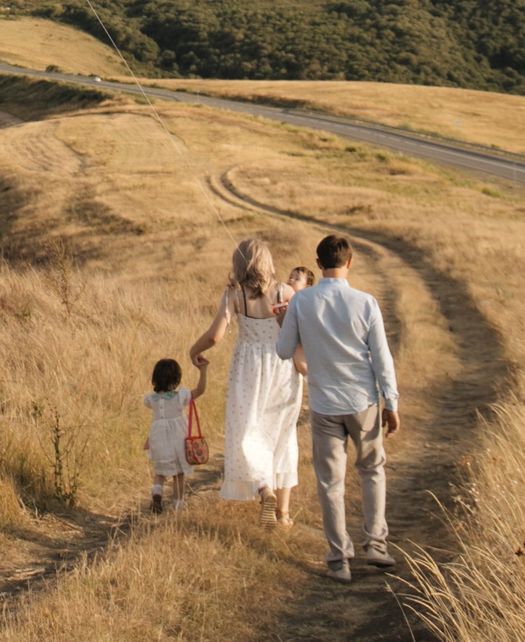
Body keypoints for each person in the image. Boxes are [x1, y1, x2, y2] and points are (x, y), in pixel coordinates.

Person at [272, 231, 400, 581]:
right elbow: (382, 357)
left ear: (318, 264)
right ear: (350, 262)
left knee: (331, 482)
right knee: (372, 470)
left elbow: (284, 351)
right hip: (364, 401)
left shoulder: (301, 302)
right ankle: (376, 544)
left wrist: (284, 320)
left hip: (324, 403)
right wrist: (392, 400)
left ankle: (339, 559)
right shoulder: (366, 302)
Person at [190, 236, 304, 524]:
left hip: (249, 368)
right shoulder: (285, 292)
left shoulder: (234, 295)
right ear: (267, 262)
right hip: (282, 367)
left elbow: (215, 335)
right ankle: (284, 514)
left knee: (248, 430)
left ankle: (264, 488)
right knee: (282, 433)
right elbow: (299, 331)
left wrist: (194, 350)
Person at [144, 355, 208, 513]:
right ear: (176, 378)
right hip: (177, 440)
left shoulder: (151, 399)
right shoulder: (180, 397)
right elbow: (200, 391)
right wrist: (203, 371)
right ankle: (178, 502)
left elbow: (147, 405)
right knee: (178, 473)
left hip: (158, 439)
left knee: (159, 471)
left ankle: (157, 490)